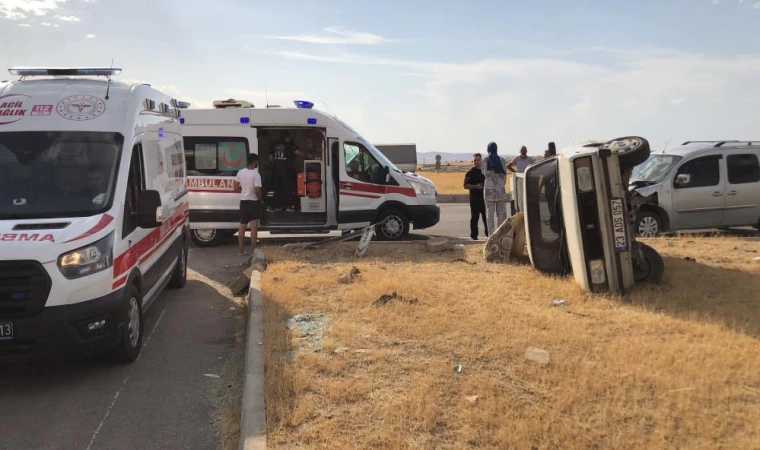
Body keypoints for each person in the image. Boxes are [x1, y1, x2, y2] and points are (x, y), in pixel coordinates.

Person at [234, 154, 263, 256]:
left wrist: (243, 191)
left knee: (242, 226)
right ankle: (254, 251)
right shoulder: (256, 174)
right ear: (254, 162)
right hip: (253, 202)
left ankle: (241, 250)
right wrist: (260, 198)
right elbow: (257, 189)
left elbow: (235, 187)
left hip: (243, 202)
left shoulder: (240, 172)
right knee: (253, 227)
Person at [268, 131, 303, 212]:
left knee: (277, 189)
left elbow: (270, 158)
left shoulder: (274, 144)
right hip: (286, 171)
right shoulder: (290, 145)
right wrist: (308, 156)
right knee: (287, 189)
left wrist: (277, 163)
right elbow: (298, 153)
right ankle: (288, 206)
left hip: (275, 170)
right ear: (287, 137)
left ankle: (276, 206)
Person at [482, 142, 509, 232]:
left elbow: (484, 173)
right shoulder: (502, 160)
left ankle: (491, 235)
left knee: (489, 215)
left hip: (488, 191)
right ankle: (500, 234)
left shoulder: (485, 160)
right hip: (500, 190)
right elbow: (504, 175)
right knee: (501, 215)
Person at [463, 153, 488, 240]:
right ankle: (474, 237)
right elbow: (465, 185)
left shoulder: (485, 172)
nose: (476, 162)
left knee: (486, 219)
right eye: (475, 160)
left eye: (478, 160)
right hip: (475, 200)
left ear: (481, 160)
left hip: (485, 199)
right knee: (474, 219)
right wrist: (476, 186)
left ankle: (488, 235)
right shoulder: (470, 173)